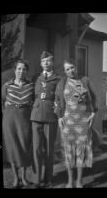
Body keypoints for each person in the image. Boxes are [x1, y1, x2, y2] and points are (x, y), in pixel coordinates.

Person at [54, 58, 98, 188]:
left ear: (76, 67)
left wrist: (93, 113)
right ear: (65, 71)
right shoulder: (62, 83)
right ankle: (70, 181)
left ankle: (79, 181)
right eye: (67, 69)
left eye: (72, 67)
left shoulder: (85, 80)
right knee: (68, 151)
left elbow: (94, 98)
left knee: (81, 151)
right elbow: (56, 100)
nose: (70, 70)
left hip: (84, 121)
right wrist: (59, 117)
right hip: (68, 122)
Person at [30, 51, 61, 188]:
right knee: (36, 148)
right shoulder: (36, 78)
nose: (46, 63)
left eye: (48, 61)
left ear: (52, 62)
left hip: (50, 115)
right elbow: (31, 95)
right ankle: (36, 180)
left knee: (49, 149)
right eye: (43, 61)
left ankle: (48, 179)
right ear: (41, 63)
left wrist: (58, 107)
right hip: (36, 115)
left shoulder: (58, 79)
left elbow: (60, 97)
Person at [2, 59, 34, 188]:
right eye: (19, 69)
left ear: (26, 71)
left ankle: (24, 177)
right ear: (15, 70)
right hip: (10, 120)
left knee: (24, 147)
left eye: (24, 69)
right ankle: (16, 178)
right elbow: (3, 101)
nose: (21, 71)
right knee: (12, 147)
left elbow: (35, 102)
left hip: (25, 119)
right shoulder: (7, 85)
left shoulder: (31, 85)